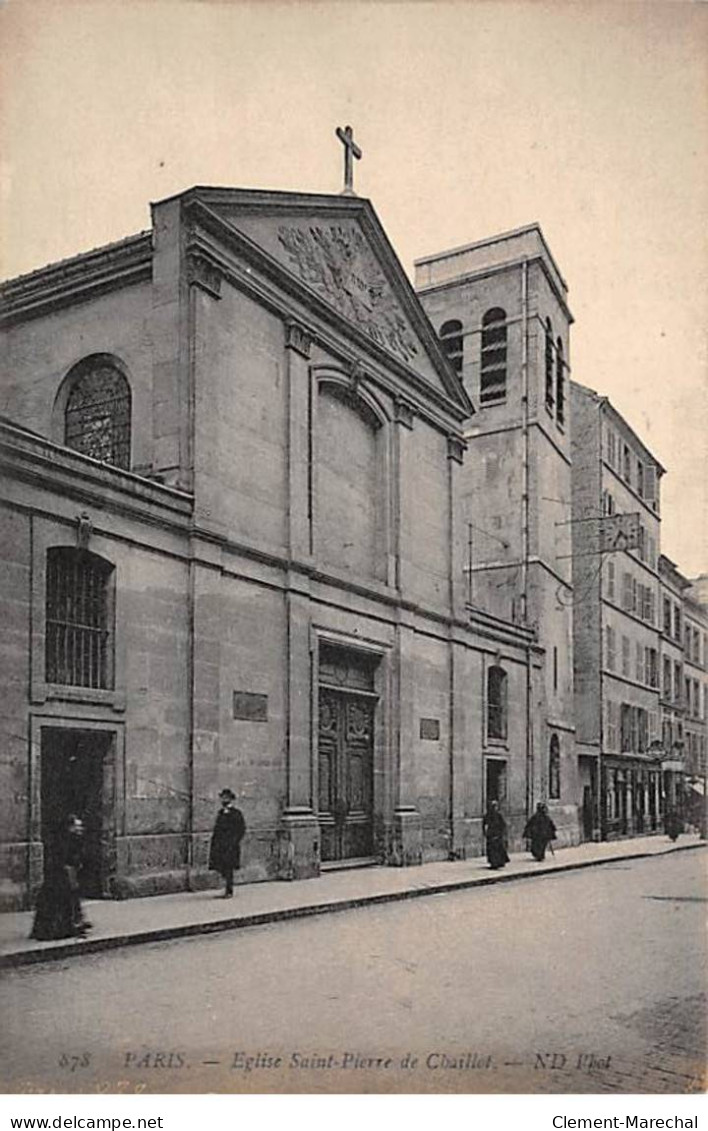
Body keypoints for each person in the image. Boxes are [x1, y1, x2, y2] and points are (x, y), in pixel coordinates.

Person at [31, 815, 92, 940]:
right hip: (60, 876)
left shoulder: (74, 839)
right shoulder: (64, 840)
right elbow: (63, 859)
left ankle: (73, 923)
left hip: (66, 874)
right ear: (70, 827)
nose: (80, 828)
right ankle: (60, 928)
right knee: (61, 901)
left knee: (70, 899)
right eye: (77, 826)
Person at [209, 789, 246, 897]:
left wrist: (234, 842)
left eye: (226, 798)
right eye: (223, 797)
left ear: (230, 799)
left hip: (230, 846)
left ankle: (229, 890)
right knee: (220, 866)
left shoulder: (236, 813)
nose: (224, 800)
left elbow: (241, 829)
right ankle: (227, 888)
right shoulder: (220, 813)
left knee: (228, 868)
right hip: (220, 845)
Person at [482, 800, 509, 870]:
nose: (494, 808)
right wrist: (485, 832)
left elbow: (503, 825)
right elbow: (484, 824)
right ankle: (493, 863)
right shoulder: (488, 815)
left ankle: (498, 862)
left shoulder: (498, 815)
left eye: (495, 806)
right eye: (493, 807)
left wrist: (502, 833)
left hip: (497, 835)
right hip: (491, 835)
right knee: (492, 850)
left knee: (497, 850)